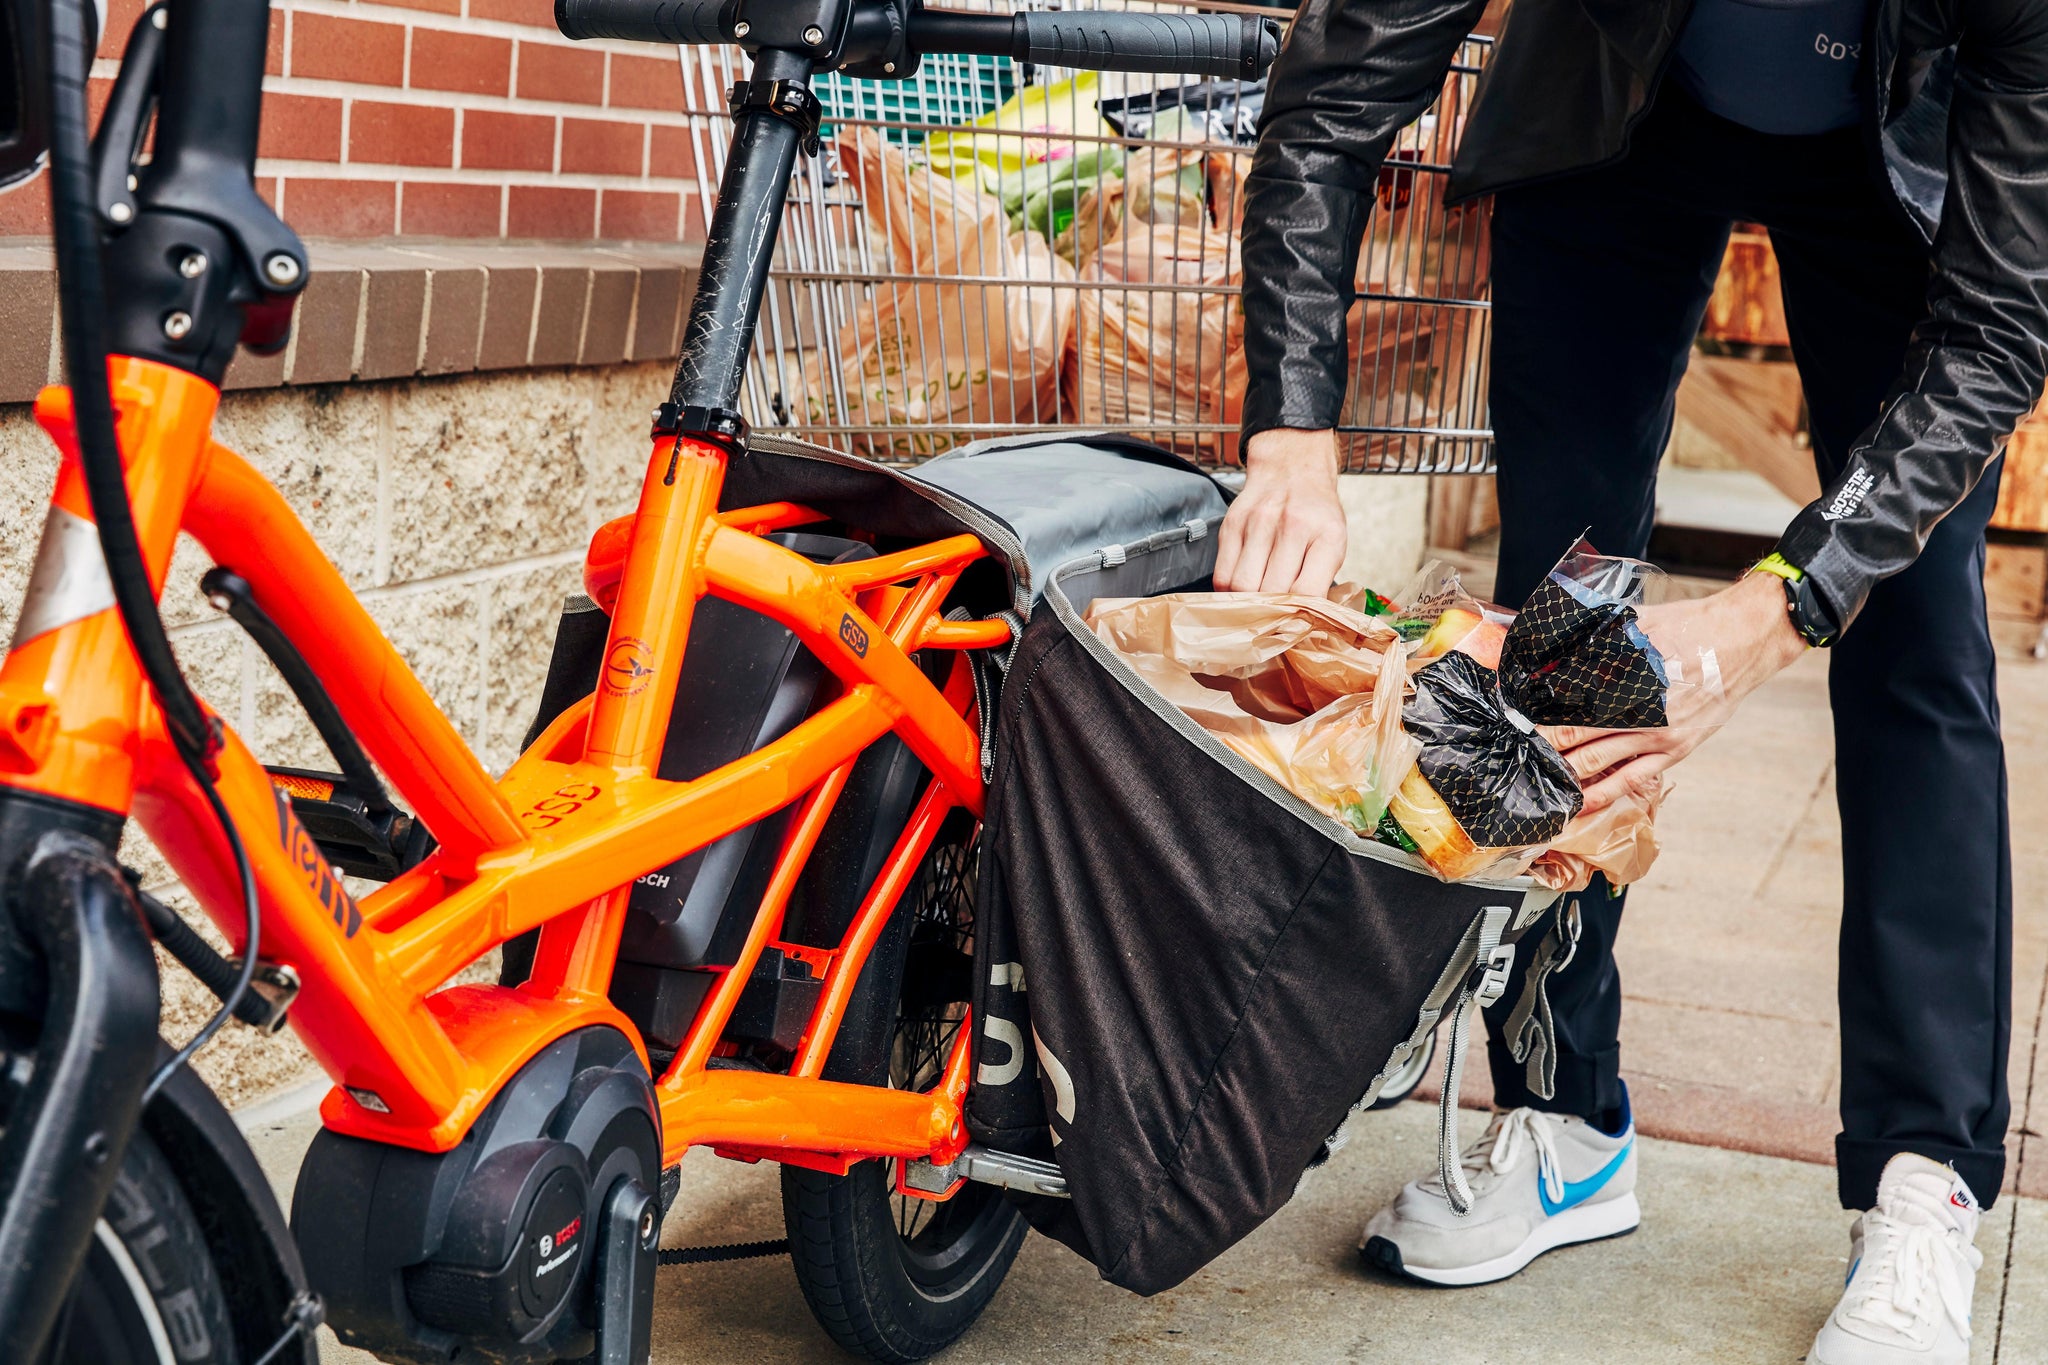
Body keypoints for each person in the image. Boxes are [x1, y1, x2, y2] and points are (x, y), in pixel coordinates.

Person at [1224, 2, 2034, 1361]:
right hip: (1618, 102)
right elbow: (1338, 88)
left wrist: (1784, 603)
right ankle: (1565, 1111)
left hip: (1906, 160)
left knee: (1917, 639)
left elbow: (1999, 333)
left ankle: (1923, 1172)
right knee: (1566, 610)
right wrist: (1291, 426)